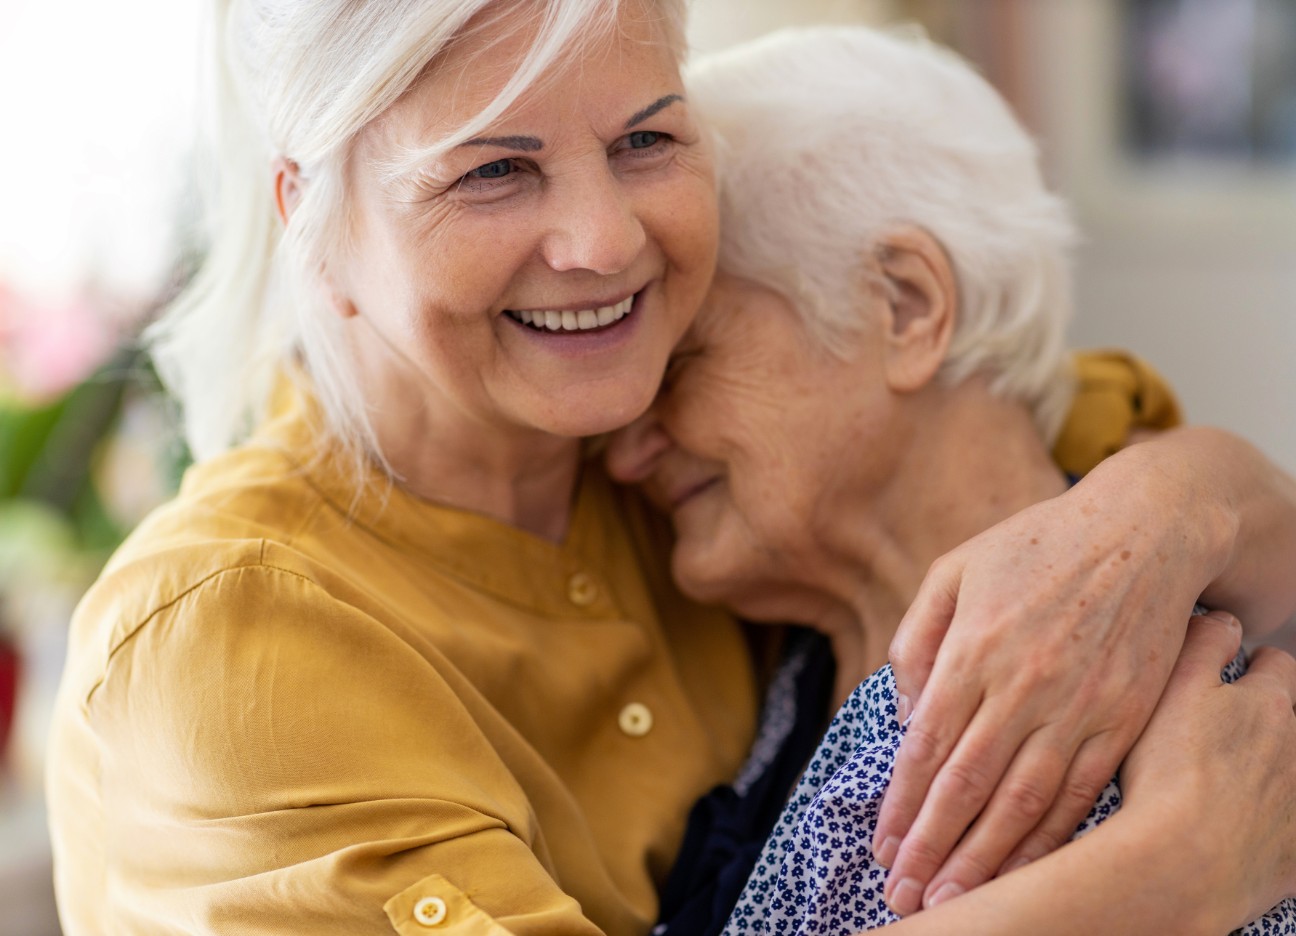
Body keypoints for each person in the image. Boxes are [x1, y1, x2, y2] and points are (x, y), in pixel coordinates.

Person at [42, 1, 1296, 933]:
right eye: (493, 170)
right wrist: (1169, 875)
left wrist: (1179, 503)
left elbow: (1081, 455)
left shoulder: (660, 453)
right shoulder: (226, 646)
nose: (601, 242)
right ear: (312, 223)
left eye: (647, 141)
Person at [605, 25, 1296, 934]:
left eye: (682, 361)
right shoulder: (782, 672)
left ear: (907, 306)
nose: (624, 451)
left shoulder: (1177, 729)